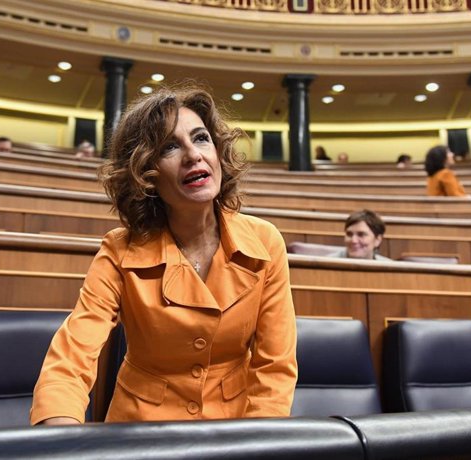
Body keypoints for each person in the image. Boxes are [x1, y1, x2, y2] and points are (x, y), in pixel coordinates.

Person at [31, 85, 298, 425]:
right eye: (170, 146)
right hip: (141, 431)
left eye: (201, 138)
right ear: (146, 172)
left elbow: (275, 366)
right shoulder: (119, 250)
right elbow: (72, 357)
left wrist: (261, 442)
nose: (193, 155)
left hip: (236, 428)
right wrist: (58, 431)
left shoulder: (265, 241)